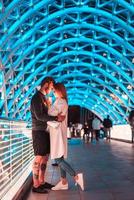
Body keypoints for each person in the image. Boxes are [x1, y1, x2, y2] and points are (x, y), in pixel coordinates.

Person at [47, 83, 84, 191]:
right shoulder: (61, 101)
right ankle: (63, 182)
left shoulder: (60, 102)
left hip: (57, 132)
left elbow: (51, 113)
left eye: (55, 90)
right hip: (58, 131)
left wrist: (48, 105)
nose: (53, 92)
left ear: (60, 91)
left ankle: (76, 176)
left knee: (58, 159)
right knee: (60, 157)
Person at [30, 77, 64, 193]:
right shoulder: (36, 98)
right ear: (46, 84)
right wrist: (56, 117)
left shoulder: (44, 98)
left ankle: (42, 181)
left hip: (45, 131)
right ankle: (35, 185)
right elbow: (39, 116)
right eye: (51, 87)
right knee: (39, 157)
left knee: (45, 157)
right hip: (38, 131)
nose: (51, 89)